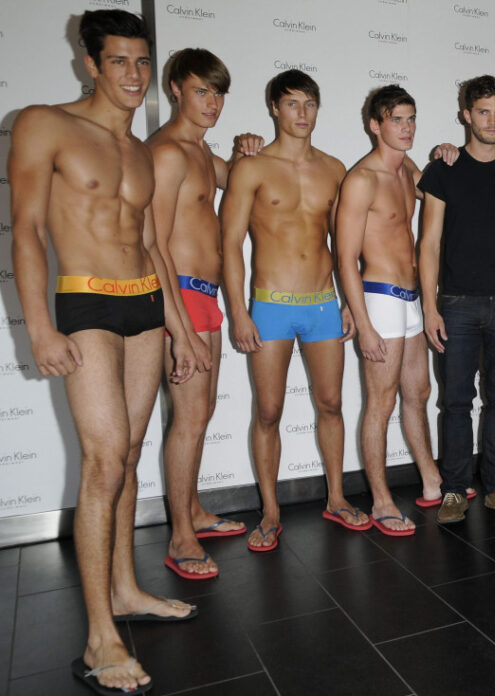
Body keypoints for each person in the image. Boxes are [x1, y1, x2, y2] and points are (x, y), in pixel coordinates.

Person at [10, 9, 198, 694]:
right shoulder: (44, 124)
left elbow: (152, 245)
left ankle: (124, 590)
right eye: (118, 60)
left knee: (130, 453)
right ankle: (98, 640)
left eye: (142, 61)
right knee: (103, 459)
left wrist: (180, 327)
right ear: (90, 64)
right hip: (86, 302)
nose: (133, 74)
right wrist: (39, 327)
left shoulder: (142, 150)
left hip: (145, 304)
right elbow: (26, 229)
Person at [221, 69, 359, 551]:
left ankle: (336, 498)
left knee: (331, 404)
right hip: (271, 305)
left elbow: (344, 246)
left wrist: (349, 302)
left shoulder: (335, 169)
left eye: (310, 103)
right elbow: (229, 244)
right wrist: (238, 312)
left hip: (323, 302)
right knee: (268, 411)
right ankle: (271, 511)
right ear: (274, 109)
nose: (302, 113)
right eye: (292, 103)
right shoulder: (251, 167)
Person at [148, 48, 256, 580]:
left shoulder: (200, 150)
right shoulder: (167, 153)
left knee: (200, 413)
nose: (212, 102)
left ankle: (192, 510)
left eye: (218, 93)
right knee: (189, 418)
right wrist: (179, 326)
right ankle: (180, 537)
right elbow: (154, 245)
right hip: (181, 298)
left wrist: (243, 150)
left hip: (204, 296)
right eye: (201, 91)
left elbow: (238, 179)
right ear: (175, 89)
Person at [418, 74, 495, 524]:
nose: (493, 121)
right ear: (466, 115)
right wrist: (430, 306)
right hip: (455, 303)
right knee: (455, 402)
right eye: (484, 112)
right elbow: (428, 244)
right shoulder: (444, 170)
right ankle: (455, 490)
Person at [336, 85, 452, 536]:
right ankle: (382, 500)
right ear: (375, 125)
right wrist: (363, 323)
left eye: (411, 119)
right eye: (396, 120)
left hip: (412, 298)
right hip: (380, 297)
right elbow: (346, 257)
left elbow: (439, 187)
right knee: (381, 402)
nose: (406, 128)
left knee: (418, 392)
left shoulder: (407, 171)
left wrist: (445, 155)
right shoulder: (361, 180)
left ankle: (431, 479)